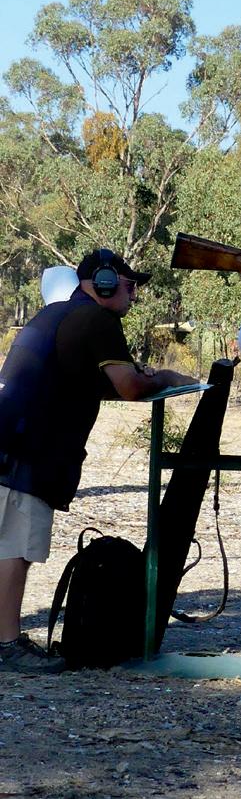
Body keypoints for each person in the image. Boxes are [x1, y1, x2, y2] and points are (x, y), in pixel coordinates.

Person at [0, 250, 193, 673]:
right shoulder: (96, 319)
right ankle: (6, 644)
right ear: (102, 281)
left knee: (12, 544)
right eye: (129, 285)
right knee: (16, 547)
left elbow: (90, 382)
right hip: (27, 450)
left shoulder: (59, 314)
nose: (133, 295)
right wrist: (166, 378)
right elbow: (129, 387)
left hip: (17, 442)